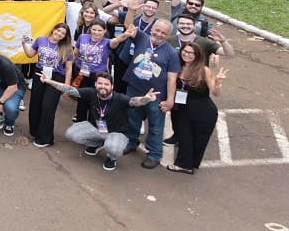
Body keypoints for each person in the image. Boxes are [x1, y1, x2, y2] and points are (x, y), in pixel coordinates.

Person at [38, 71, 159, 172]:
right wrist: (49, 81)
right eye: (100, 83)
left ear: (112, 86)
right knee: (71, 134)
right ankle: (96, 144)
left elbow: (134, 101)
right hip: (97, 128)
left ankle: (111, 158)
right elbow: (70, 90)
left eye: (106, 84)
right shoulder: (92, 93)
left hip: (117, 132)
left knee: (113, 147)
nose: (103, 86)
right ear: (95, 84)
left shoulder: (119, 98)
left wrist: (146, 99)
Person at [118, 16, 181, 169]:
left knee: (156, 126)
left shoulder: (171, 53)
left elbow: (172, 79)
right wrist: (132, 9)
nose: (159, 34)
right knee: (132, 118)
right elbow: (129, 26)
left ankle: (154, 155)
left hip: (156, 96)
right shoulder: (142, 38)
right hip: (135, 88)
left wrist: (170, 100)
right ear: (152, 29)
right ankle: (131, 142)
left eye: (164, 33)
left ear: (168, 35)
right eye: (157, 30)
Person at [168, 42, 228, 174]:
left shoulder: (204, 70)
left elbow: (215, 93)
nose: (187, 54)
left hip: (203, 110)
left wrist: (218, 82)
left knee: (199, 139)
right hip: (181, 109)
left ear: (197, 55)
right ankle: (185, 164)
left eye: (191, 53)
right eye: (185, 51)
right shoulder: (176, 66)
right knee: (184, 137)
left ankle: (189, 164)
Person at [23, 22, 75, 148]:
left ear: (65, 36)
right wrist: (24, 44)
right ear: (53, 30)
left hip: (56, 77)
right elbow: (30, 54)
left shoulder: (67, 48)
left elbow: (68, 68)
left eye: (63, 33)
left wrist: (66, 87)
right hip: (39, 74)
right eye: (58, 31)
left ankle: (45, 138)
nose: (59, 34)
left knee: (48, 106)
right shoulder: (40, 40)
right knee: (36, 104)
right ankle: (35, 131)